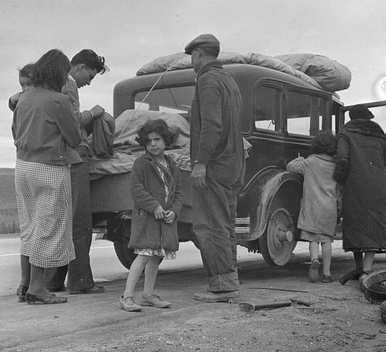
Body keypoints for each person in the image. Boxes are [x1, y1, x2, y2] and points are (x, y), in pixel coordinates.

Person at [12, 49, 81, 304]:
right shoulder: (58, 101)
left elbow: (14, 133)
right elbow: (74, 138)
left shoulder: (23, 98)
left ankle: (24, 283)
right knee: (48, 225)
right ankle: (37, 288)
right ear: (58, 74)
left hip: (23, 167)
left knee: (29, 225)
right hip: (50, 168)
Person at [44, 49, 112, 295]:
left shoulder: (50, 84)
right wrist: (93, 114)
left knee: (61, 219)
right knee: (80, 220)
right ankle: (81, 281)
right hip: (75, 155)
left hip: (55, 156)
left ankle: (53, 279)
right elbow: (73, 121)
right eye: (90, 76)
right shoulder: (69, 85)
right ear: (81, 67)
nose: (88, 82)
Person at [185, 34, 245, 303]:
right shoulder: (229, 80)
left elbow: (212, 125)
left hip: (216, 166)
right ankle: (229, 280)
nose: (192, 62)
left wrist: (201, 162)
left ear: (199, 53)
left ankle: (222, 286)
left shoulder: (207, 80)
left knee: (209, 225)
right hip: (233, 164)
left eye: (192, 56)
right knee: (225, 223)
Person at [119, 119, 183, 312]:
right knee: (143, 256)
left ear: (166, 141)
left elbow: (179, 193)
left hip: (164, 221)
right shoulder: (141, 163)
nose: (153, 144)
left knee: (156, 257)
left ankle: (147, 295)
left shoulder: (172, 165)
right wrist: (154, 206)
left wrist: (175, 211)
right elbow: (137, 190)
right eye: (149, 141)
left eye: (157, 139)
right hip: (147, 219)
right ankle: (127, 296)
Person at [334, 105, 386, 280]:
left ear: (351, 118)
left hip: (355, 182)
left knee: (355, 223)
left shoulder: (345, 133)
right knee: (375, 224)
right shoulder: (380, 135)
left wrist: (340, 180)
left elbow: (342, 159)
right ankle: (367, 269)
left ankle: (359, 267)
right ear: (369, 118)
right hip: (379, 183)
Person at [286, 131, 341, 283]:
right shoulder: (336, 166)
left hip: (312, 207)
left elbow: (290, 167)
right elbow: (339, 192)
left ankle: (314, 259)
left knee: (313, 239)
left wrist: (299, 159)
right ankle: (327, 273)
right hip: (329, 208)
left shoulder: (310, 163)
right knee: (327, 240)